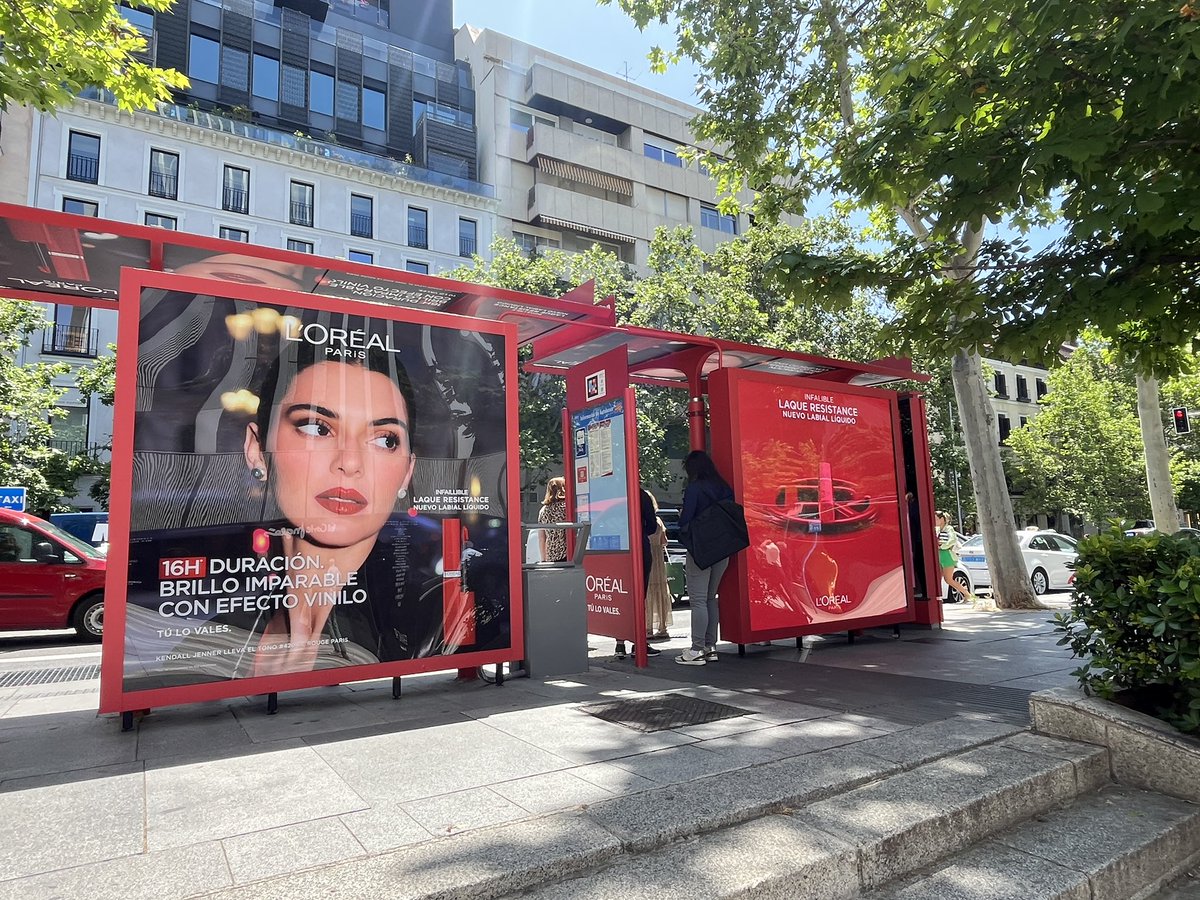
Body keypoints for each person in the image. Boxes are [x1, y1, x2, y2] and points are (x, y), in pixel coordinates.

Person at [676, 450, 735, 666]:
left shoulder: (695, 488)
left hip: (700, 549)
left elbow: (686, 520)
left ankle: (696, 650)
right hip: (723, 548)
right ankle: (711, 647)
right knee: (711, 598)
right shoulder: (724, 487)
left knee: (698, 600)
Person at [644, 492, 673, 642]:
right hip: (658, 560)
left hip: (647, 558)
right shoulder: (658, 521)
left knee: (647, 594)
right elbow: (664, 542)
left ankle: (647, 628)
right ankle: (663, 627)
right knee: (661, 592)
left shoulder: (640, 521)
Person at [935, 510, 975, 605]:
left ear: (942, 519)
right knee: (938, 578)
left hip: (947, 555)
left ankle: (967, 595)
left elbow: (952, 540)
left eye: (936, 519)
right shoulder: (937, 529)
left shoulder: (948, 528)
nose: (934, 520)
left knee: (948, 579)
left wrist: (942, 546)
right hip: (939, 555)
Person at [537, 477, 568, 564]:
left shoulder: (543, 511)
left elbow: (541, 538)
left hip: (551, 555)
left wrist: (543, 559)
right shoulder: (566, 507)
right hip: (568, 553)